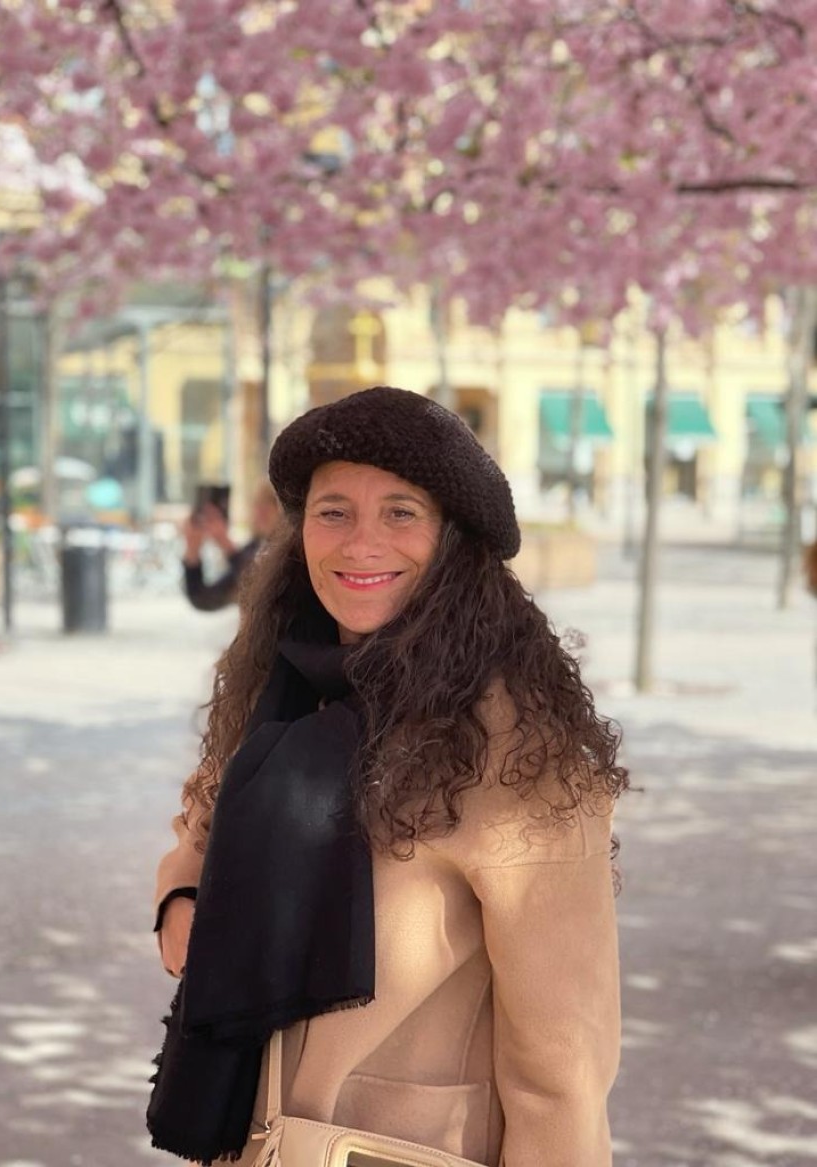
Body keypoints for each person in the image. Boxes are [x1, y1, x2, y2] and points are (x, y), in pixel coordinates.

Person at [148, 387, 627, 1167]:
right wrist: (182, 892)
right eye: (333, 511)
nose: (361, 541)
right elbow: (208, 815)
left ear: (452, 539)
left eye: (400, 512)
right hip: (250, 1140)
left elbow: (561, 1059)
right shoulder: (286, 687)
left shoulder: (516, 751)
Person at [181, 481, 280, 611]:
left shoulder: (290, 553)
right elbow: (203, 598)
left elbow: (259, 582)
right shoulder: (254, 548)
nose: (261, 510)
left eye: (271, 502)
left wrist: (225, 544)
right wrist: (193, 549)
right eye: (257, 503)